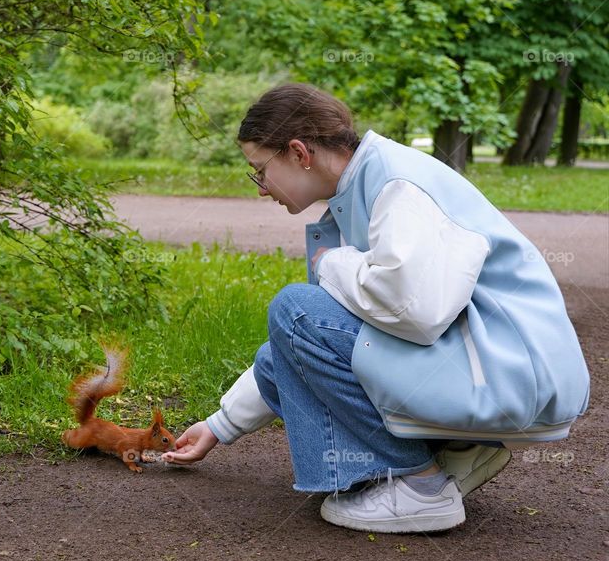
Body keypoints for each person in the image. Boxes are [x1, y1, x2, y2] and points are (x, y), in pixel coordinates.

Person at [161, 83, 590, 533]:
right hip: (498, 364)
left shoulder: (396, 184)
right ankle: (458, 450)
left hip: (510, 373)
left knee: (297, 309)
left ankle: (419, 487)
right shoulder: (364, 186)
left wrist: (333, 263)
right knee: (300, 324)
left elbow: (415, 311)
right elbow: (307, 346)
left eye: (259, 170)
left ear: (298, 152)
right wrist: (220, 424)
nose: (261, 189)